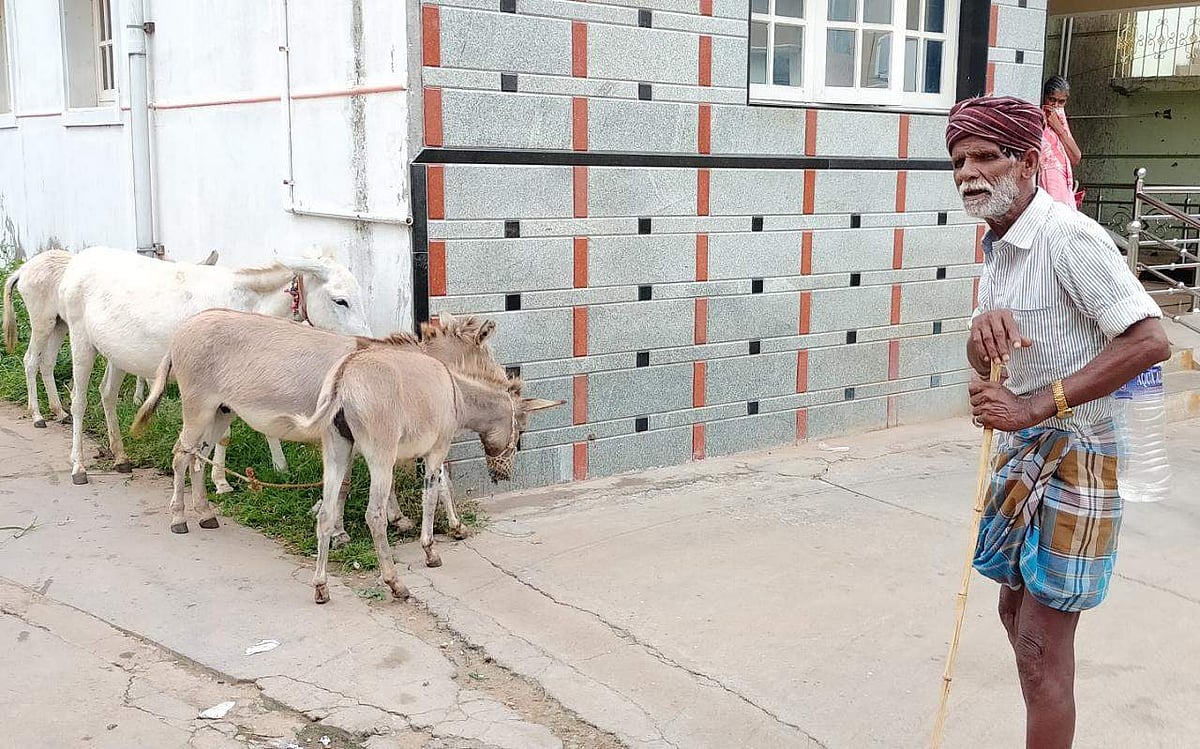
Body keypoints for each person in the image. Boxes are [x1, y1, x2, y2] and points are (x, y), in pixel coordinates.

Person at [945, 96, 1170, 749]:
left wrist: (1034, 404)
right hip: (1025, 448)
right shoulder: (1000, 246)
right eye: (960, 160)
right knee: (1014, 610)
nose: (968, 172)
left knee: (1042, 648)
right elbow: (993, 353)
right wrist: (980, 347)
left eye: (986, 155)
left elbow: (1150, 340)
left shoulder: (1069, 237)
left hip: (1079, 451)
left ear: (1031, 160)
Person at [1040, 76, 1082, 208]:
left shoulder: (1060, 118)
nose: (1056, 106)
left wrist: (1058, 127)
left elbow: (1076, 157)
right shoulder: (1039, 117)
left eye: (1061, 102)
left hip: (1062, 178)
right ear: (1044, 97)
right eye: (1051, 100)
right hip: (1045, 177)